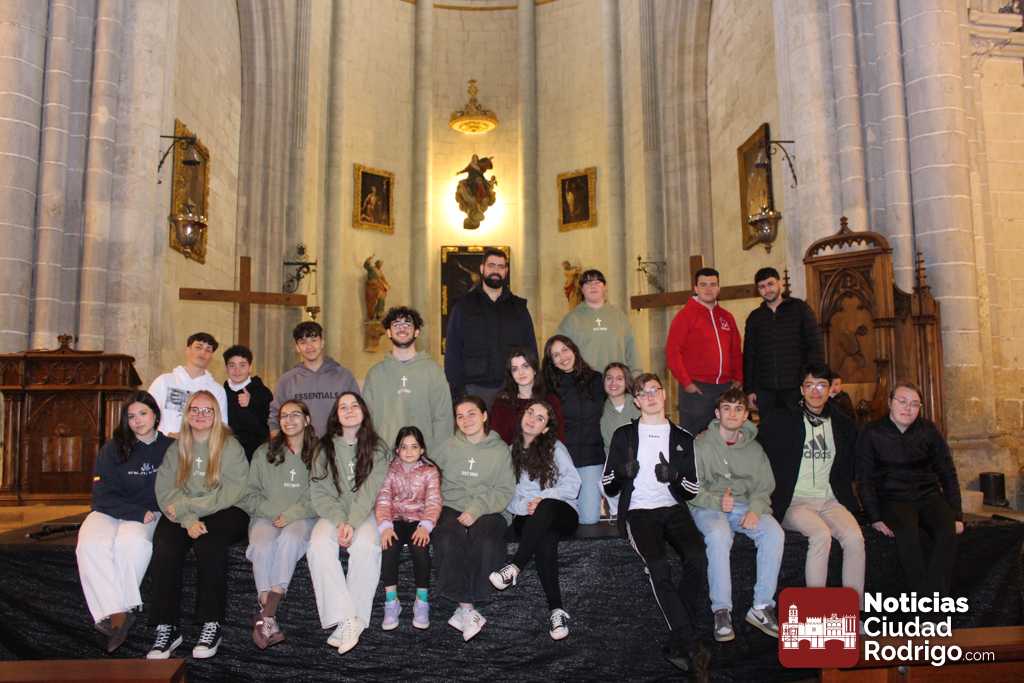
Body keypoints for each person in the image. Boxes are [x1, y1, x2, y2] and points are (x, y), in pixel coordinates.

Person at [601, 373, 708, 675]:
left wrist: (674, 476)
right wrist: (623, 472)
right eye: (642, 392)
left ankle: (679, 643)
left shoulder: (683, 437)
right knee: (659, 567)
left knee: (698, 557)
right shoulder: (624, 435)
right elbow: (607, 485)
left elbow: (691, 490)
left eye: (654, 390)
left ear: (663, 395)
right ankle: (690, 642)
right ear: (636, 401)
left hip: (673, 509)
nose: (649, 396)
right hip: (639, 511)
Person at [147, 391, 249, 660]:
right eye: (195, 409)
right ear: (187, 413)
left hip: (225, 509)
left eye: (207, 410)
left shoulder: (230, 445)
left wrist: (193, 511)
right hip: (183, 512)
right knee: (165, 545)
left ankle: (210, 623)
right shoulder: (176, 447)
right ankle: (166, 626)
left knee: (209, 543)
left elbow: (234, 491)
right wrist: (188, 518)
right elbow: (165, 491)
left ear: (216, 414)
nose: (201, 415)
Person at [757, 365, 865, 604]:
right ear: (801, 390)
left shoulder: (842, 424)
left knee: (855, 538)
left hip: (828, 500)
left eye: (821, 385)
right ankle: (817, 611)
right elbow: (756, 443)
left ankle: (853, 612)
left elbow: (857, 460)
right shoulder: (783, 420)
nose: (815, 391)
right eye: (809, 385)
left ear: (831, 390)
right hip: (794, 502)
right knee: (821, 535)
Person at [76, 391, 172, 654]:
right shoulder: (113, 447)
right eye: (131, 416)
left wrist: (145, 513)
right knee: (90, 545)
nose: (137, 420)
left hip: (149, 513)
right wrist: (135, 512)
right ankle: (119, 612)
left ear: (155, 415)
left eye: (143, 413)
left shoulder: (169, 448)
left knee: (133, 544)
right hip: (111, 511)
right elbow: (101, 495)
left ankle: (117, 615)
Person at [689, 388, 784, 643]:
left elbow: (764, 487)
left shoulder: (755, 450)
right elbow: (691, 489)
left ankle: (762, 606)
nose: (732, 413)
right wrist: (717, 501)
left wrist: (755, 511)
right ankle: (721, 611)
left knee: (774, 532)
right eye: (727, 408)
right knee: (720, 534)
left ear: (746, 416)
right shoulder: (700, 445)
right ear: (717, 413)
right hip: (708, 505)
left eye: (738, 409)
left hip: (744, 505)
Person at [856, 381, 964, 595]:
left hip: (928, 495)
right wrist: (874, 517)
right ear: (890, 403)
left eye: (915, 404)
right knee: (908, 536)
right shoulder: (871, 432)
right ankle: (925, 606)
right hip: (892, 497)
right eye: (902, 401)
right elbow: (864, 478)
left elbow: (947, 472)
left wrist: (957, 515)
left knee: (946, 531)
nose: (908, 408)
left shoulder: (929, 430)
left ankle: (932, 601)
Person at [490, 400, 581, 640]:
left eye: (540, 418)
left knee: (547, 506)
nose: (532, 418)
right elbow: (507, 492)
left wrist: (543, 499)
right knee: (545, 539)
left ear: (546, 428)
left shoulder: (555, 448)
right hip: (527, 516)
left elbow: (573, 485)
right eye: (530, 413)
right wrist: (526, 507)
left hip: (561, 510)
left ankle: (515, 566)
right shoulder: (510, 452)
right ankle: (556, 611)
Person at [306, 392, 390, 654]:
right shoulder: (323, 448)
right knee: (318, 544)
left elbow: (371, 492)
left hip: (366, 513)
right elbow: (319, 492)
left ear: (364, 411)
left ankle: (354, 622)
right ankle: (346, 618)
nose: (350, 410)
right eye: (343, 407)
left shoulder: (378, 448)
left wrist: (352, 523)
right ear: (336, 415)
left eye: (355, 405)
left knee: (366, 545)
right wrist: (341, 520)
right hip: (334, 514)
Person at [431, 396, 516, 642]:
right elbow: (430, 476)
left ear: (484, 416)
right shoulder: (446, 447)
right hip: (452, 504)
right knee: (447, 537)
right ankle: (468, 609)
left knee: (487, 539)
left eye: (471, 413)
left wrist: (476, 509)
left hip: (490, 507)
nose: (466, 420)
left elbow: (503, 490)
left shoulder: (500, 450)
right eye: (460, 416)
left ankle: (467, 607)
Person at [239, 400, 318, 649]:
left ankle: (266, 613)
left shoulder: (320, 452)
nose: (289, 420)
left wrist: (293, 513)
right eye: (284, 415)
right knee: (262, 543)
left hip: (303, 516)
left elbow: (322, 492)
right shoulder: (264, 452)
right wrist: (276, 512)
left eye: (296, 414)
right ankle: (269, 614)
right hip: (267, 515)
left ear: (307, 420)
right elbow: (248, 495)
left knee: (291, 539)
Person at [444, 247, 538, 407]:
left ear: (506, 271)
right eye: (491, 265)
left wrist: (534, 385)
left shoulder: (519, 307)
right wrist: (456, 392)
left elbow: (531, 348)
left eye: (501, 267)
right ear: (482, 269)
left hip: (512, 387)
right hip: (474, 389)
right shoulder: (463, 306)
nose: (496, 270)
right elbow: (453, 351)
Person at [375, 426, 442, 631]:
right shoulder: (389, 470)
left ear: (422, 450)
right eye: (404, 447)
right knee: (389, 547)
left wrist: (426, 526)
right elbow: (383, 499)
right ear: (397, 450)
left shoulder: (430, 472)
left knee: (420, 549)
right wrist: (385, 526)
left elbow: (433, 502)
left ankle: (421, 601)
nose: (409, 451)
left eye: (414, 446)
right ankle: (391, 601)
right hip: (395, 518)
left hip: (419, 520)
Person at [362, 306, 453, 451]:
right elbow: (366, 420)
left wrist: (437, 458)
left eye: (407, 324)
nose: (402, 328)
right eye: (396, 325)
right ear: (388, 332)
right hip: (386, 458)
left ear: (416, 332)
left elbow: (443, 419)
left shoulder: (433, 372)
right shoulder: (375, 374)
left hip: (424, 459)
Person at [666, 267, 743, 435]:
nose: (708, 289)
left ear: (719, 288)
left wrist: (738, 378)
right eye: (703, 284)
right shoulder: (684, 316)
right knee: (695, 438)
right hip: (697, 389)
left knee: (726, 436)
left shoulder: (727, 317)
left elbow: (736, 350)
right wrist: (687, 383)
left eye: (713, 284)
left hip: (725, 388)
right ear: (695, 288)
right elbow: (673, 353)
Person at [542, 335, 606, 525]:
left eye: (565, 350)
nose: (562, 357)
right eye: (555, 355)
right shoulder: (548, 387)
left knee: (589, 518)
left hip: (590, 457)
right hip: (561, 460)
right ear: (551, 361)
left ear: (574, 350)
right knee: (559, 519)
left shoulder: (596, 380)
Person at [743, 267, 825, 412]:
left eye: (770, 284)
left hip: (796, 386)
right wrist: (749, 390)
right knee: (769, 432)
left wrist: (812, 381)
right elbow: (749, 356)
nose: (767, 290)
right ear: (758, 290)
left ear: (779, 283)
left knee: (797, 430)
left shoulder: (800, 308)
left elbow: (815, 345)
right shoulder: (755, 317)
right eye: (762, 287)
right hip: (765, 389)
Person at [269, 321, 359, 437]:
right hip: (300, 448)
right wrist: (277, 448)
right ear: (297, 347)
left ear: (322, 343)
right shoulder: (286, 380)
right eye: (303, 342)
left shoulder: (344, 376)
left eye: (314, 340)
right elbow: (275, 418)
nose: (309, 347)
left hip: (337, 447)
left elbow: (358, 413)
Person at [556, 268, 638, 374]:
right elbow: (558, 352)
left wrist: (636, 375)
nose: (593, 286)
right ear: (582, 289)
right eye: (588, 283)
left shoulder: (619, 316)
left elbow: (632, 350)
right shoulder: (571, 319)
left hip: (617, 382)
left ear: (605, 287)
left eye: (597, 282)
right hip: (584, 383)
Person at [148, 332, 228, 436]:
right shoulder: (164, 381)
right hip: (164, 445)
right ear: (187, 350)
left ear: (211, 356)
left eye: (208, 350)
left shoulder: (217, 390)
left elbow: (220, 426)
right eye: (198, 347)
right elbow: (148, 415)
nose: (203, 352)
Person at [488, 347, 565, 444]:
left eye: (525, 366)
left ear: (534, 369)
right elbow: (496, 440)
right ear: (511, 374)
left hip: (544, 456)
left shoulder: (551, 400)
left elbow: (558, 438)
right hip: (510, 456)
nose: (521, 372)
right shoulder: (502, 403)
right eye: (515, 369)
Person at [222, 344, 273, 461]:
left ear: (250, 367)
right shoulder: (221, 392)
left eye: (242, 365)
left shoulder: (263, 392)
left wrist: (252, 403)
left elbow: (270, 424)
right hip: (227, 453)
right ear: (226, 368)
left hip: (256, 454)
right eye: (232, 365)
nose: (237, 370)